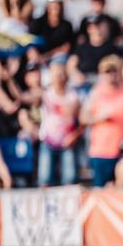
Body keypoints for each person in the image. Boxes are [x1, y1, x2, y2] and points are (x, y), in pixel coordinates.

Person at [80, 54, 123, 187]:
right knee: (102, 192)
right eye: (107, 71)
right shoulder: (96, 92)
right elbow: (83, 117)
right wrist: (98, 117)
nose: (111, 75)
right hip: (102, 151)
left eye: (114, 71)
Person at [37, 56, 81, 187]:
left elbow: (82, 121)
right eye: (55, 74)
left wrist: (75, 135)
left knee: (70, 180)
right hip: (47, 141)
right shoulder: (45, 94)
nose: (58, 77)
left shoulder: (74, 96)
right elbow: (23, 96)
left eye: (60, 74)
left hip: (67, 142)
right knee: (44, 180)